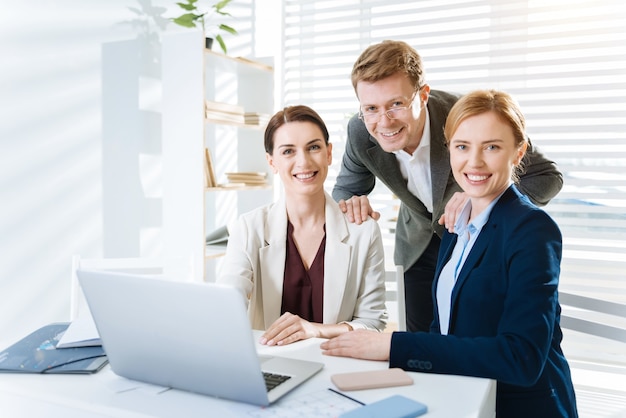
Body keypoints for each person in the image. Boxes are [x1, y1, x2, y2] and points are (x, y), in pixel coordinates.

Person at [321, 90, 578, 417]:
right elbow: (442, 331)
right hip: (463, 399)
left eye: (492, 147)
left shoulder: (532, 230)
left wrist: (393, 345)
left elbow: (521, 358)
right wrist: (395, 370)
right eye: (462, 147)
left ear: (518, 152)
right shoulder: (457, 226)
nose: (475, 162)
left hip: (519, 407)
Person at [332, 40, 564, 332]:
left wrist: (482, 204)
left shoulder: (467, 117)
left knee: (477, 340)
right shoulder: (360, 131)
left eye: (396, 104)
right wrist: (351, 202)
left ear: (423, 95)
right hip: (417, 246)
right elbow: (346, 188)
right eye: (371, 108)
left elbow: (547, 176)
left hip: (476, 244)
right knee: (421, 348)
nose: (384, 121)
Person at [218, 105, 388, 346]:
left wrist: (315, 330)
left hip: (337, 363)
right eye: (288, 151)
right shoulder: (249, 228)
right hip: (270, 366)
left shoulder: (363, 230)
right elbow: (228, 300)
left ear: (329, 153)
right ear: (272, 162)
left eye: (314, 147)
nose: (304, 161)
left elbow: (372, 323)